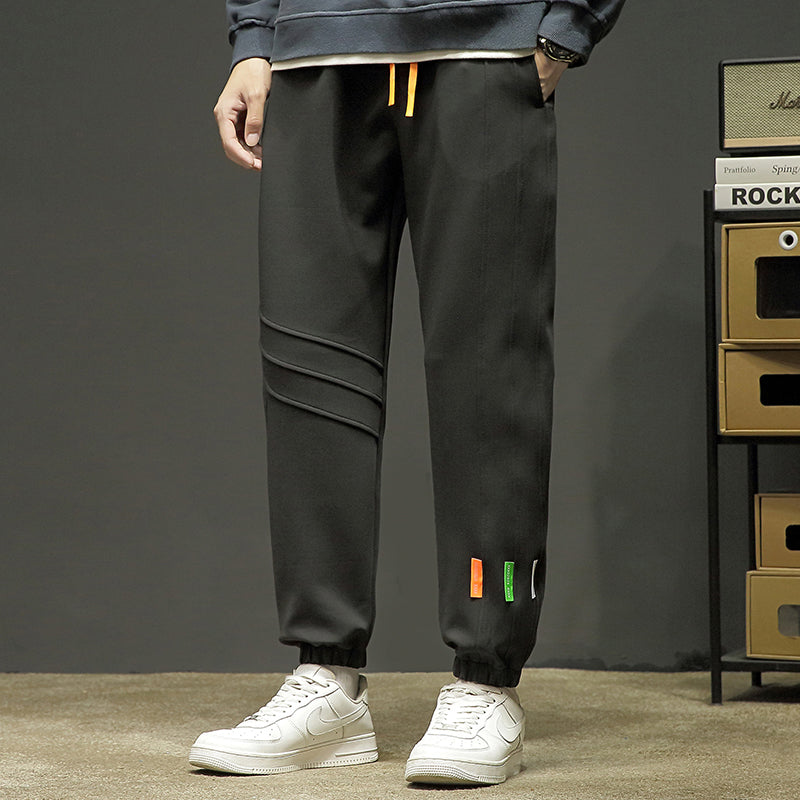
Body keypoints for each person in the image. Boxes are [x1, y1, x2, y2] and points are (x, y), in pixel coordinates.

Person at [190, 0, 625, 786]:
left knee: (490, 369)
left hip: (484, 45)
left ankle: (486, 679)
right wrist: (254, 37)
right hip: (315, 52)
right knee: (311, 375)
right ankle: (326, 676)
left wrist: (567, 26)